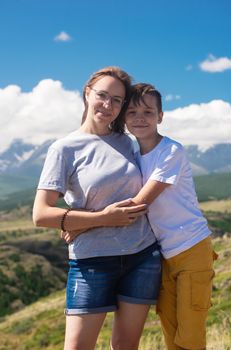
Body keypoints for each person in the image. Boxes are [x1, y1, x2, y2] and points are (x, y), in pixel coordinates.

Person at [33, 67, 161, 350]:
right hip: (92, 261)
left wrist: (84, 223)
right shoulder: (64, 149)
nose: (108, 105)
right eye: (103, 95)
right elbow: (41, 214)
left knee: (126, 346)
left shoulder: (131, 143)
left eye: (117, 100)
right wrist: (99, 218)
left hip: (142, 256)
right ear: (87, 93)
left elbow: (155, 187)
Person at [124, 83, 217, 350]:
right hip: (163, 254)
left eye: (148, 111)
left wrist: (83, 223)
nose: (140, 118)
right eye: (132, 112)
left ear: (160, 116)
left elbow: (141, 202)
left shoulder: (171, 151)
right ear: (124, 118)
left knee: (190, 335)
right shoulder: (129, 154)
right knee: (170, 329)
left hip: (192, 248)